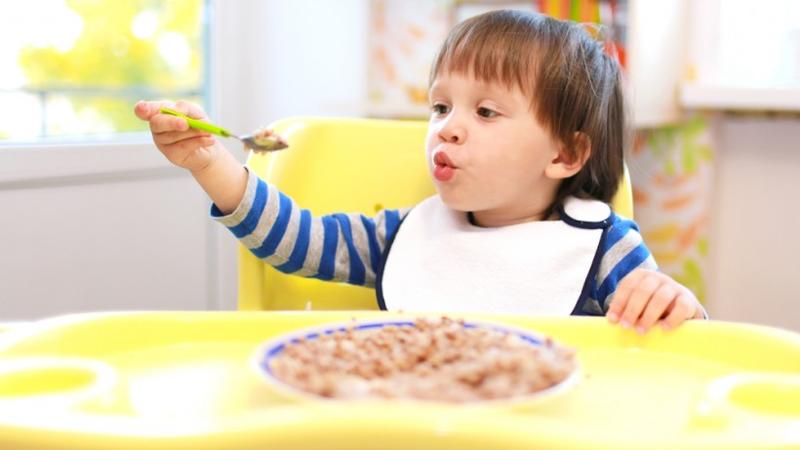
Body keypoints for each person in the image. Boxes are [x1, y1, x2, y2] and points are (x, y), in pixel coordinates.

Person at [134, 10, 705, 334]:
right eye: (440, 107)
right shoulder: (407, 233)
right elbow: (297, 242)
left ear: (564, 156)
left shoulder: (604, 247)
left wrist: (676, 306)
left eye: (485, 112)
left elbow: (676, 346)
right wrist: (210, 164)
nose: (447, 128)